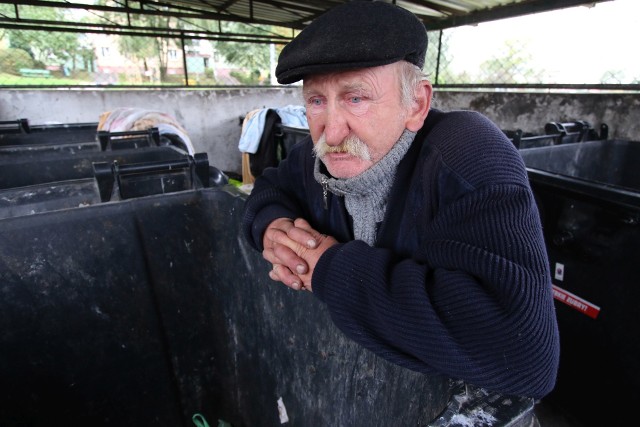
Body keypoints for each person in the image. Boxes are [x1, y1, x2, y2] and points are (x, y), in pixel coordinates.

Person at [242, 0, 560, 400]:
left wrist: (328, 268)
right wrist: (272, 227)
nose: (332, 130)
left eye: (356, 98)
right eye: (317, 100)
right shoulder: (319, 155)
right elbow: (271, 186)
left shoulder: (467, 155)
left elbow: (525, 358)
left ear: (417, 104)